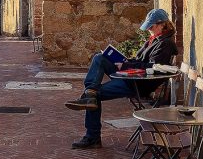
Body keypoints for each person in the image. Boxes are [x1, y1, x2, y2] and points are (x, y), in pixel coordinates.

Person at [64, 8, 178, 148]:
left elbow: (152, 66)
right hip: (131, 76)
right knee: (100, 58)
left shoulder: (165, 43)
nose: (149, 29)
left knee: (93, 97)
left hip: (139, 83)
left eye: (151, 26)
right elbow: (139, 59)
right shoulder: (154, 40)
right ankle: (90, 91)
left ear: (162, 25)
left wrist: (126, 64)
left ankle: (92, 136)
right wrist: (124, 61)